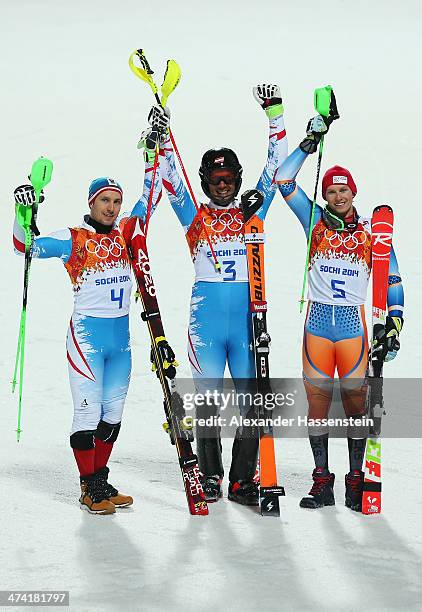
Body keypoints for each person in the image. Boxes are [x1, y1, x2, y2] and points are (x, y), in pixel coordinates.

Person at [140, 84, 288, 505]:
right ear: (204, 181)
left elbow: (276, 169)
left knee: (252, 402)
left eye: (229, 179)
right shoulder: (194, 216)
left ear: (238, 180)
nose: (223, 186)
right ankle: (209, 475)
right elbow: (169, 180)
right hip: (206, 320)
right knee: (206, 403)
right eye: (215, 179)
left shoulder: (252, 209)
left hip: (245, 320)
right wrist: (161, 133)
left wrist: (275, 115)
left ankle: (242, 480)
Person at [13, 171, 170, 514]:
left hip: (120, 342)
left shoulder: (128, 234)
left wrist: (152, 152)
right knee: (87, 413)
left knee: (112, 416)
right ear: (91, 202)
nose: (111, 208)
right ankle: (88, 488)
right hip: (87, 339)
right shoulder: (75, 239)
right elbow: (25, 246)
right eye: (105, 201)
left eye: (116, 201)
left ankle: (99, 479)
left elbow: (153, 190)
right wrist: (22, 212)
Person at [275, 110, 404, 511]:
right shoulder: (313, 220)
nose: (337, 196)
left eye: (343, 190)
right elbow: (284, 181)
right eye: (331, 190)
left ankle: (354, 480)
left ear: (353, 192)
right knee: (316, 404)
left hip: (352, 328)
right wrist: (307, 143)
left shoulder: (370, 233)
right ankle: (321, 483)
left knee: (353, 405)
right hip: (317, 327)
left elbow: (393, 280)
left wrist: (394, 324)